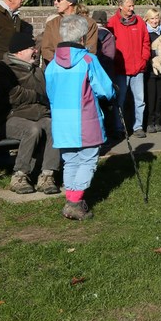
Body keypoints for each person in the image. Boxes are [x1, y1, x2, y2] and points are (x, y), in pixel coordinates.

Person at [45, 14, 116, 220]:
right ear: (82, 38)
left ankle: (71, 199)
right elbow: (104, 89)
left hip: (61, 119)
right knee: (88, 160)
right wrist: (113, 92)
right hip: (85, 119)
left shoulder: (52, 64)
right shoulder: (87, 59)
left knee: (70, 161)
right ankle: (75, 202)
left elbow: (49, 92)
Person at [0, 31, 60, 195]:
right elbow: (13, 95)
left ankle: (47, 175)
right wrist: (37, 97)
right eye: (32, 48)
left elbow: (47, 94)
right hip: (12, 117)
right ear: (20, 51)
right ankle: (20, 176)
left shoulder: (37, 70)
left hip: (40, 115)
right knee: (32, 130)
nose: (36, 51)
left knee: (55, 126)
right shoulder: (4, 69)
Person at [107, 0, 151, 138]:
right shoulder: (112, 23)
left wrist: (144, 59)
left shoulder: (139, 21)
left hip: (138, 68)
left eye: (133, 5)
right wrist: (116, 62)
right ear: (120, 6)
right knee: (119, 101)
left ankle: (138, 127)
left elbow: (146, 41)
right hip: (121, 70)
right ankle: (119, 128)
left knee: (140, 100)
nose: (132, 8)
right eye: (129, 6)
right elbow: (109, 46)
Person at [40, 0, 98, 64]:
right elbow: (46, 49)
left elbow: (91, 49)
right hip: (57, 68)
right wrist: (59, 64)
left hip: (81, 68)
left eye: (58, 0)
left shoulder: (88, 23)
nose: (55, 3)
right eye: (55, 0)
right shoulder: (52, 24)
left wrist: (76, 65)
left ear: (70, 2)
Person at [143, 8, 161, 133]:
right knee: (150, 97)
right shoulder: (145, 32)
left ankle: (158, 121)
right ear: (147, 19)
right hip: (150, 70)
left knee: (160, 97)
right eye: (152, 18)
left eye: (156, 18)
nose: (154, 21)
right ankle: (149, 122)